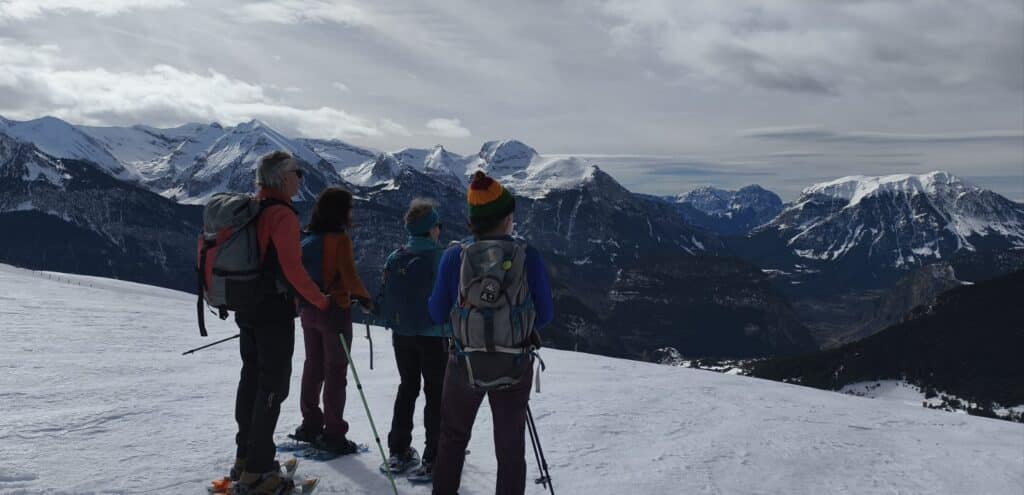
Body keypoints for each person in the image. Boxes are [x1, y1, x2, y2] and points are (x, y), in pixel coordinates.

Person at [428, 171, 554, 495]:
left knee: (453, 438)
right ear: (507, 218)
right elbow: (546, 314)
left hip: (464, 362)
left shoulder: (454, 256)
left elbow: (436, 312)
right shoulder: (528, 256)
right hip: (514, 364)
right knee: (510, 448)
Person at [232, 151, 331, 494]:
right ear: (281, 178)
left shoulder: (251, 207)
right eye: (297, 172)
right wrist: (321, 301)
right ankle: (259, 472)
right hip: (273, 311)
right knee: (273, 387)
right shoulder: (282, 215)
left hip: (246, 306)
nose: (301, 178)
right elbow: (293, 270)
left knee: (251, 378)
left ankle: (245, 458)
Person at [291, 186, 373, 455]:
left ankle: (310, 423)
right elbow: (349, 276)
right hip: (334, 311)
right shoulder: (339, 239)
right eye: (349, 208)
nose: (352, 213)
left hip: (307, 308)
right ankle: (334, 432)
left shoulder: (308, 236)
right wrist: (366, 299)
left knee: (313, 365)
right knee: (335, 371)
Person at [377, 199, 450, 482]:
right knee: (435, 392)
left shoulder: (396, 256)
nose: (439, 230)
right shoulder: (441, 257)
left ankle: (398, 450)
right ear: (430, 229)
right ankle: (434, 456)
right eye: (437, 225)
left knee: (407, 387)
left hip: (402, 334)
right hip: (434, 336)